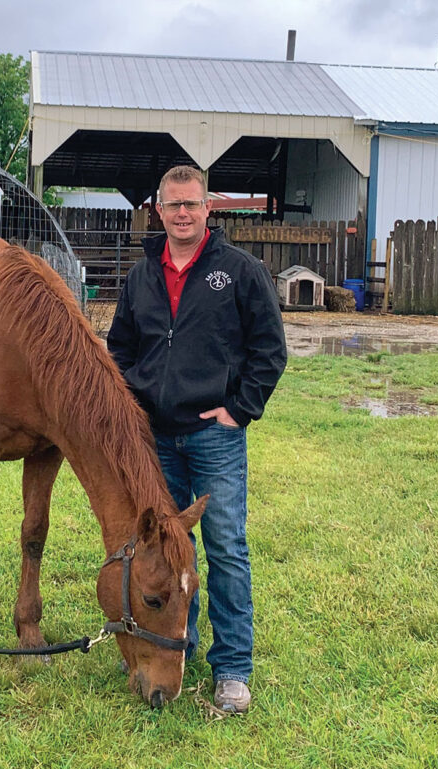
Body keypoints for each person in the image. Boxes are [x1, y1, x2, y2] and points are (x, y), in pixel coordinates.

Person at [107, 165, 287, 714]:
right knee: (161, 554)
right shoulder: (140, 277)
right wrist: (133, 407)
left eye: (191, 204)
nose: (182, 213)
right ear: (157, 211)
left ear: (209, 209)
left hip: (214, 437)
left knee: (225, 547)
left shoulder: (238, 272)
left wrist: (240, 409)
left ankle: (232, 668)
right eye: (172, 205)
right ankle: (171, 645)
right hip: (155, 443)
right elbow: (119, 352)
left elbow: (269, 350)